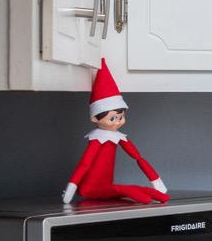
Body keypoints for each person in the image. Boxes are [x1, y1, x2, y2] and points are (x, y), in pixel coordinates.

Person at [61, 59, 169, 205]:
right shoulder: (96, 139)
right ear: (94, 118)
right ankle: (147, 197)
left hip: (106, 187)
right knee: (130, 191)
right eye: (113, 118)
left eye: (121, 117)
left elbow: (138, 157)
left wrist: (156, 181)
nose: (118, 121)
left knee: (133, 189)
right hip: (89, 189)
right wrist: (71, 187)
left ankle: (156, 194)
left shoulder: (118, 137)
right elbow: (85, 164)